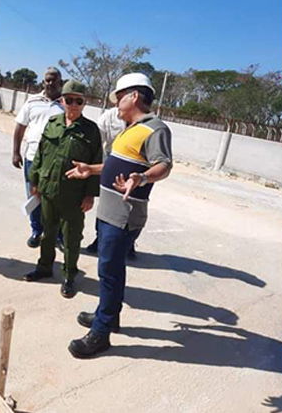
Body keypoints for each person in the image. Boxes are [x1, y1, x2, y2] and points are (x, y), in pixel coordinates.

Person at [63, 73, 172, 357]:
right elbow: (115, 163)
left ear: (134, 96)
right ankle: (108, 315)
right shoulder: (129, 128)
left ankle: (101, 334)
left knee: (108, 271)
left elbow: (164, 165)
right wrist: (91, 169)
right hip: (110, 212)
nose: (116, 105)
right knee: (112, 269)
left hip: (124, 215)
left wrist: (142, 178)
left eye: (119, 97)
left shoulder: (155, 129)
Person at [23, 80, 102, 299]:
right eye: (70, 100)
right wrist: (34, 181)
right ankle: (44, 267)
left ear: (84, 103)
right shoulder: (53, 122)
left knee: (71, 238)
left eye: (79, 101)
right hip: (48, 189)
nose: (74, 105)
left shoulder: (91, 130)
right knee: (47, 233)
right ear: (62, 101)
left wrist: (90, 195)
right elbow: (40, 152)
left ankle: (69, 276)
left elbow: (97, 161)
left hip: (74, 195)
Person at [12, 68, 66, 250]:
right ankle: (36, 231)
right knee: (34, 195)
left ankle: (58, 235)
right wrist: (16, 152)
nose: (50, 83)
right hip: (32, 157)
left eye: (54, 80)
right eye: (47, 80)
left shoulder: (66, 104)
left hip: (56, 161)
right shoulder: (32, 101)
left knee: (56, 198)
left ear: (61, 82)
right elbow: (20, 127)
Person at [82, 106, 138, 260]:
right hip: (111, 163)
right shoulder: (110, 116)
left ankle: (130, 243)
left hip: (135, 168)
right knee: (106, 205)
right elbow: (98, 139)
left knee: (131, 206)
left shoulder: (146, 121)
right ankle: (100, 239)